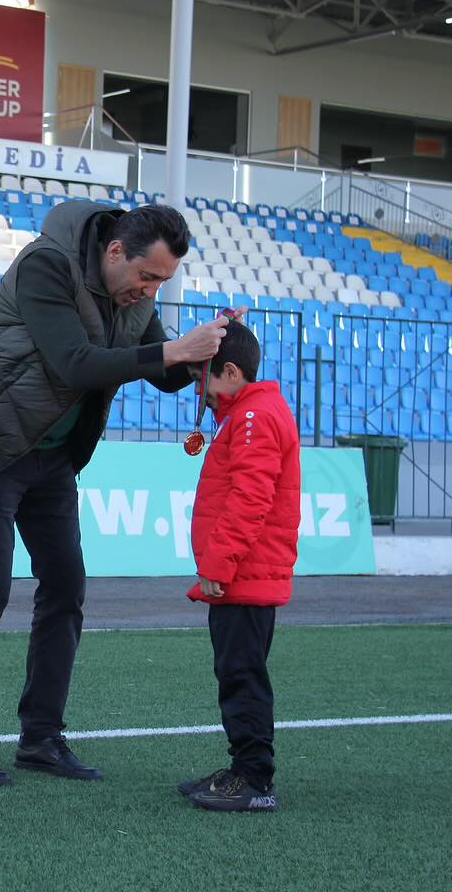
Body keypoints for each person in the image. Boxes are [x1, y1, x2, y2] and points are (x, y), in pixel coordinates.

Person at [0, 201, 232, 786]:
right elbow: (75, 363)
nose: (150, 291)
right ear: (115, 251)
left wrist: (213, 348)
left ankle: (41, 736)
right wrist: (174, 349)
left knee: (67, 586)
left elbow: (162, 369)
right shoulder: (48, 264)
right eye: (147, 277)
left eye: (162, 282)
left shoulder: (134, 293)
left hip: (52, 456)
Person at [178, 318, 298, 812]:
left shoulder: (253, 417)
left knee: (242, 675)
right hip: (245, 575)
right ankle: (243, 769)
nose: (199, 392)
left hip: (243, 577)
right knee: (237, 672)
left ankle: (253, 778)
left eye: (201, 379)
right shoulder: (253, 411)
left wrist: (218, 565)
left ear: (230, 372)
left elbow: (250, 500)